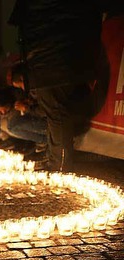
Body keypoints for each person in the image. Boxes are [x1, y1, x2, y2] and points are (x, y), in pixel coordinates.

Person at [8, 0, 106, 171]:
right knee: (59, 114)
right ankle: (56, 159)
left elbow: (21, 20)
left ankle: (59, 163)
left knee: (57, 116)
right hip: (72, 57)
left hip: (49, 62)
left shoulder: (40, 10)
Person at [0, 85, 48, 153]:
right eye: (0, 111)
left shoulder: (18, 99)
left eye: (5, 109)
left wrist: (25, 108)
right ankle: (7, 140)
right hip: (9, 123)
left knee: (12, 126)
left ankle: (42, 140)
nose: (3, 112)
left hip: (20, 123)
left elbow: (28, 116)